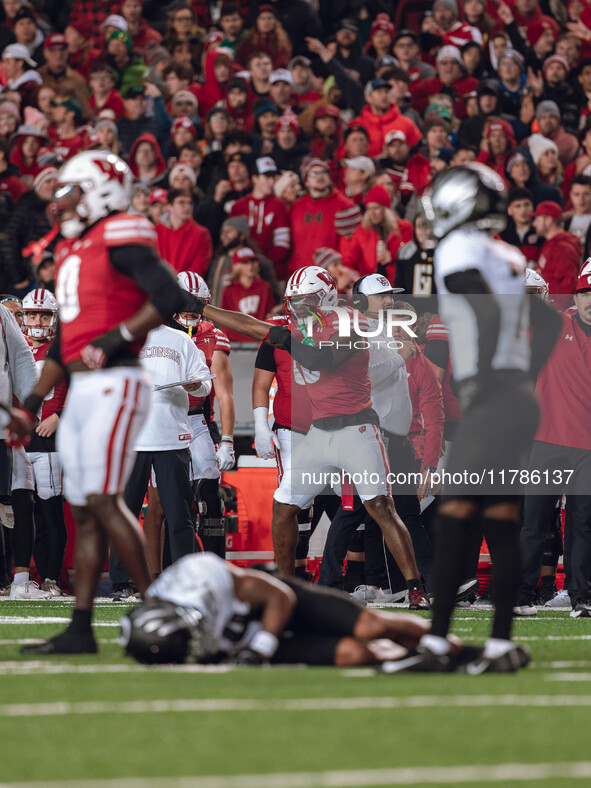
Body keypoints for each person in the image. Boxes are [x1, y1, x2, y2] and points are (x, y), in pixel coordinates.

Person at [14, 150, 211, 655]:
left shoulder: (123, 230)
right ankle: (81, 629)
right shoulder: (77, 247)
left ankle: (161, 614)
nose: (63, 202)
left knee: (103, 500)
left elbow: (168, 293)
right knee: (84, 508)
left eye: (73, 190)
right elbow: (65, 344)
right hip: (81, 389)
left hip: (117, 382)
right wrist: (34, 399)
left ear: (100, 189)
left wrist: (117, 336)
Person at [388, 163, 562, 673]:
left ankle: (438, 644)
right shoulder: (507, 253)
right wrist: (522, 371)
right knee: (500, 522)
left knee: (456, 516)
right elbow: (547, 317)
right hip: (517, 398)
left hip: (490, 398)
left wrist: (482, 372)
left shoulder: (458, 248)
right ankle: (499, 645)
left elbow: (480, 307)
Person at [195, 267, 427, 603]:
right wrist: (201, 308)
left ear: (327, 296)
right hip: (317, 433)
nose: (300, 307)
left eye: (306, 300)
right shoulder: (299, 325)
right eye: (295, 301)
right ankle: (286, 587)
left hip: (357, 428)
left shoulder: (349, 320)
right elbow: (250, 324)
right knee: (283, 505)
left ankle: (415, 586)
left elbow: (320, 359)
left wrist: (284, 337)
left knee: (380, 506)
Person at [120, 552, 432, 667]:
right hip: (245, 644)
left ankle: (437, 640)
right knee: (355, 654)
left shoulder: (201, 577)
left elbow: (280, 596)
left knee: (371, 628)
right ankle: (415, 661)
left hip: (275, 608)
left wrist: (262, 648)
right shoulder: (168, 640)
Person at [108, 311, 212, 600]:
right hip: (131, 438)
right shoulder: (122, 339)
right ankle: (121, 582)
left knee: (180, 515)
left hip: (171, 437)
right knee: (125, 513)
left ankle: (183, 581)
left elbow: (204, 381)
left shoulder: (181, 339)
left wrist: (195, 385)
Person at [516, 263, 591, 619]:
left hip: (588, 448)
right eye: (585, 293)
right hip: (545, 441)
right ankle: (522, 594)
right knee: (533, 521)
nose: (590, 300)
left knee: (582, 523)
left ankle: (582, 597)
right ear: (575, 296)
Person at [21, 289, 68, 597]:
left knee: (50, 510)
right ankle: (26, 578)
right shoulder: (16, 348)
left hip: (50, 440)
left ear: (54, 317)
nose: (38, 320)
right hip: (19, 440)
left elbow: (85, 391)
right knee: (24, 512)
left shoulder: (66, 349)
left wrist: (60, 416)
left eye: (44, 314)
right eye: (32, 314)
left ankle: (52, 576)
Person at [230, 156, 291, 277]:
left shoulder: (280, 206)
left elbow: (282, 244)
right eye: (267, 177)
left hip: (273, 272)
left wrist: (261, 264)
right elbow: (232, 242)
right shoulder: (238, 207)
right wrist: (248, 264)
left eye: (273, 178)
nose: (272, 182)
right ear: (254, 178)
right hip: (243, 274)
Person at [532, 201, 582, 308]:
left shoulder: (563, 248)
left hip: (556, 313)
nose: (534, 223)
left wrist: (555, 311)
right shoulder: (551, 242)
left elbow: (568, 285)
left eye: (537, 219)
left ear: (548, 220)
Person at [220, 247, 275, 339]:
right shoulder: (229, 290)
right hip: (236, 344)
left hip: (260, 340)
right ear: (237, 266)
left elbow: (270, 316)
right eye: (245, 262)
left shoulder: (265, 287)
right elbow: (224, 319)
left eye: (252, 261)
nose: (250, 266)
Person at [156, 189, 213, 276]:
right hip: (157, 286)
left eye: (190, 203)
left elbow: (200, 266)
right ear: (169, 206)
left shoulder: (201, 233)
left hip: (185, 287)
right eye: (181, 202)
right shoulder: (155, 231)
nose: (187, 207)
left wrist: (179, 283)